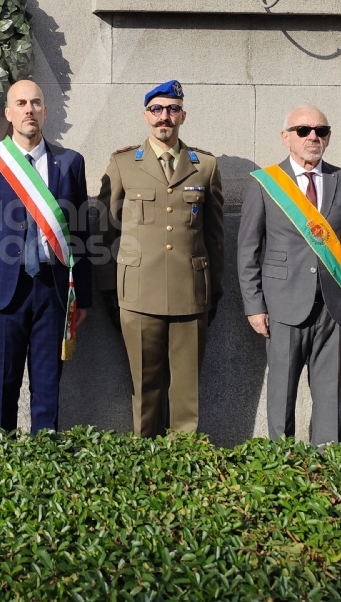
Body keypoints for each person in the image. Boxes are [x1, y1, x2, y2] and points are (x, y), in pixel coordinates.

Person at [94, 80, 225, 437]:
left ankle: (184, 463)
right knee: (145, 387)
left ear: (183, 115)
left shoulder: (206, 166)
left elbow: (214, 236)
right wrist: (109, 290)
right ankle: (145, 462)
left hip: (190, 291)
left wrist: (215, 291)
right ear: (145, 116)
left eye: (172, 109)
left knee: (186, 392)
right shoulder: (123, 163)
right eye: (156, 110)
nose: (164, 117)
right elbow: (106, 230)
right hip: (137, 295)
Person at [237, 105, 341, 445]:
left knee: (330, 395)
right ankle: (281, 469)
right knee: (281, 391)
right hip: (283, 307)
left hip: (335, 308)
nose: (313, 136)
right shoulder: (265, 184)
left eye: (321, 131)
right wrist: (254, 305)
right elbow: (248, 251)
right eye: (303, 130)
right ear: (286, 138)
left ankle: (326, 465)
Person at [0, 79, 92, 432]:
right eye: (20, 103)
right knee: (3, 389)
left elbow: (80, 234)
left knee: (48, 389)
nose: (28, 109)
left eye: (35, 102)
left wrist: (83, 298)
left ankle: (43, 470)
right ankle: (0, 471)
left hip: (53, 292)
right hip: (1, 296)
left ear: (45, 111)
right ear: (8, 113)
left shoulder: (70, 163)